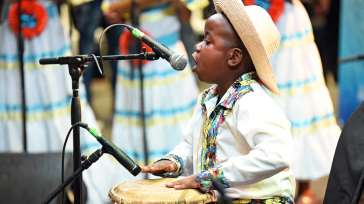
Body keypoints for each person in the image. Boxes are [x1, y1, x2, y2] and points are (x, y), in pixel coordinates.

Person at [141, 0, 296, 202]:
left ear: (233, 57)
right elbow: (192, 144)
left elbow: (277, 155)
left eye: (207, 41)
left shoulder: (253, 101)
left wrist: (211, 178)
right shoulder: (207, 98)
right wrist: (174, 162)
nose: (197, 46)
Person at [0, 0, 120, 203]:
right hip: (11, 25)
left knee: (53, 90)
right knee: (12, 93)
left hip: (47, 25)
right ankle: (16, 180)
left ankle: (62, 180)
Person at [241, 0, 341, 203]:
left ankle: (304, 186)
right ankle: (268, 185)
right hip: (251, 18)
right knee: (258, 96)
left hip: (288, 21)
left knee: (299, 98)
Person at [102, 0, 207, 178]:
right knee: (135, 117)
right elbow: (112, 15)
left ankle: (175, 168)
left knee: (172, 118)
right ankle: (138, 172)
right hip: (134, 56)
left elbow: (185, 15)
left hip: (168, 55)